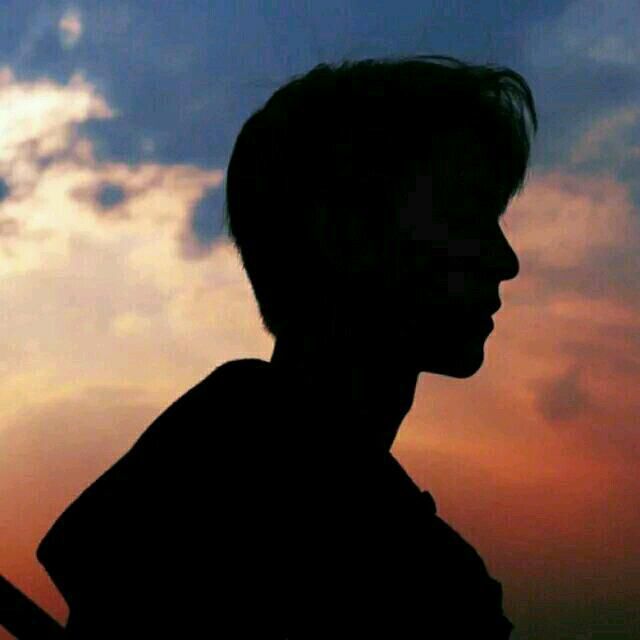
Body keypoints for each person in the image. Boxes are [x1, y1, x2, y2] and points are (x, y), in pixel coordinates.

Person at [35, 54, 537, 638]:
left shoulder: (207, 463)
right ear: (345, 233)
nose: (504, 260)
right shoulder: (373, 554)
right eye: (465, 216)